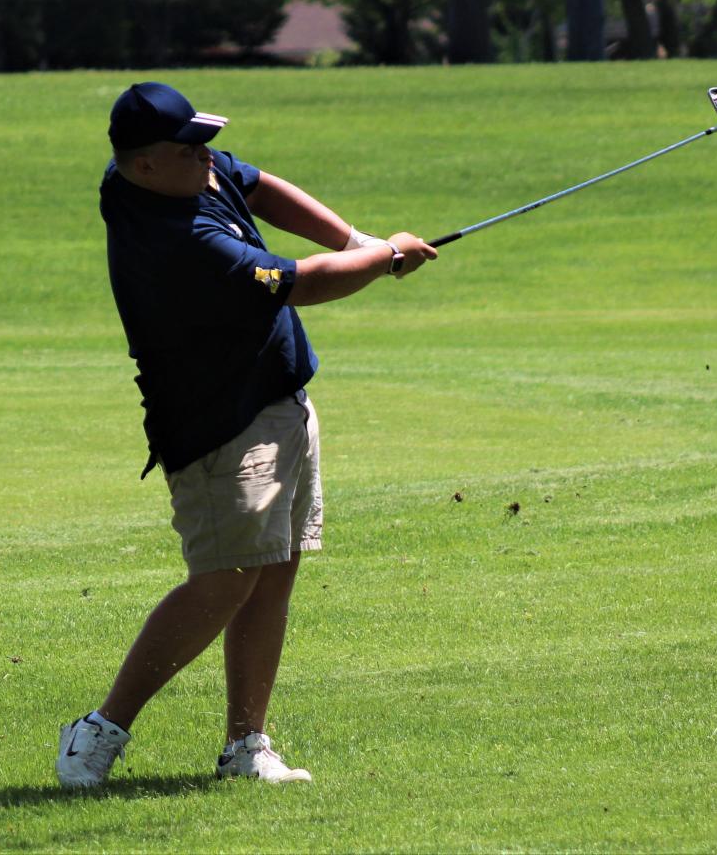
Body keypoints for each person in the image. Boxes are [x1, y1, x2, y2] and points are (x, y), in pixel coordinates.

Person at [55, 82, 436, 788]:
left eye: (204, 144)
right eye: (188, 149)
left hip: (278, 401)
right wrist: (383, 259)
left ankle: (245, 746)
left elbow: (257, 184)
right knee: (224, 581)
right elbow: (304, 283)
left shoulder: (173, 172)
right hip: (219, 425)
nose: (208, 159)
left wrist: (357, 239)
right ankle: (99, 728)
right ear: (143, 166)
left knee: (273, 572)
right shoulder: (179, 239)